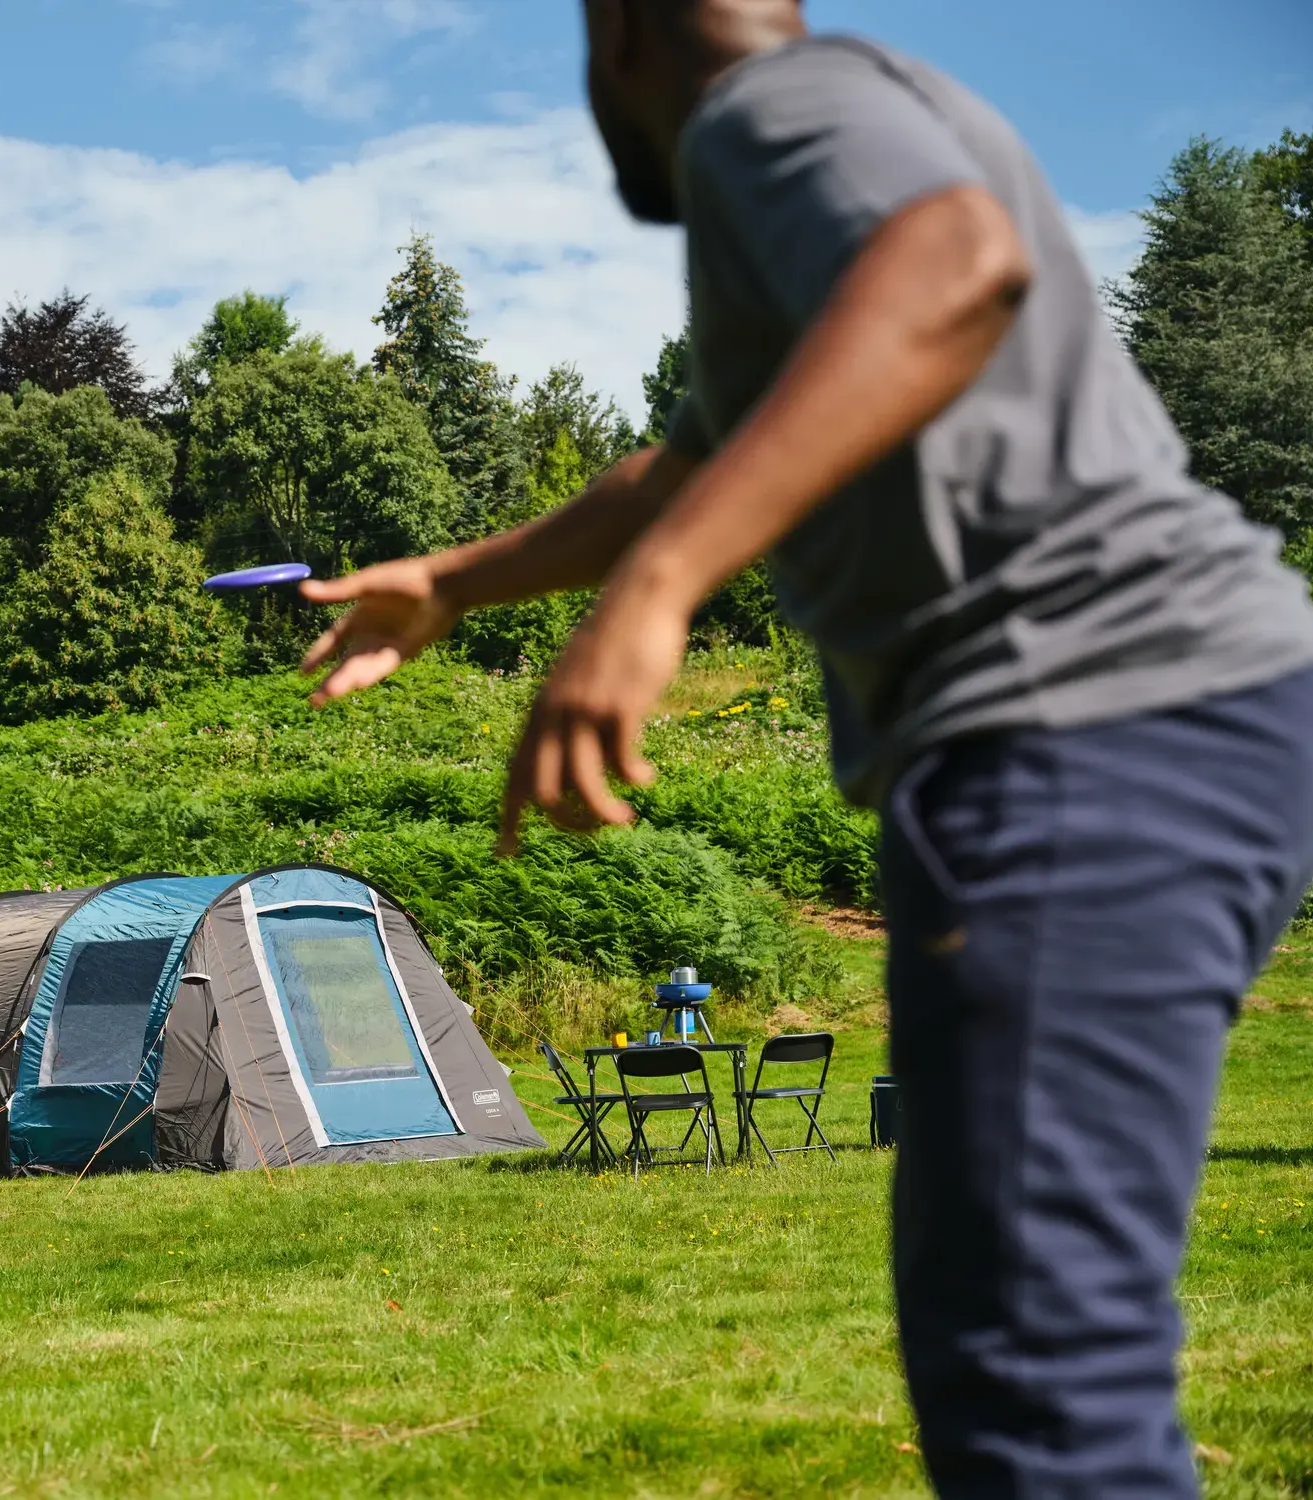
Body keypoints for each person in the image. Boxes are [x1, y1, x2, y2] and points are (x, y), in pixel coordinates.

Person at [301, 2, 1313, 1495]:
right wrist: (458, 581)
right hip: (1178, 711)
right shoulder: (861, 119)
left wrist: (659, 594)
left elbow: (952, 266)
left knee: (1038, 1371)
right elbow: (696, 460)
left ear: (624, 23)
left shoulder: (768, 114)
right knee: (1028, 1340)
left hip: (1083, 725)